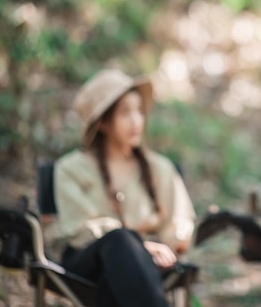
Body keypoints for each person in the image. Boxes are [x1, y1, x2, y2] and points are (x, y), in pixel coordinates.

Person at [53, 69, 196, 307]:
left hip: (143, 267)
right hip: (87, 261)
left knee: (121, 274)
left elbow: (179, 222)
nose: (137, 121)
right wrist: (138, 246)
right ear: (102, 123)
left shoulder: (159, 168)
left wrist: (174, 243)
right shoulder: (70, 169)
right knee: (120, 241)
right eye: (125, 112)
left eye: (139, 111)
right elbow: (79, 228)